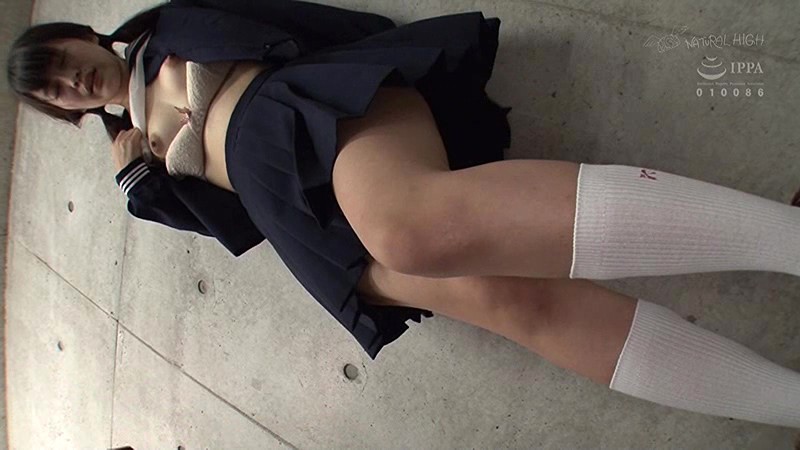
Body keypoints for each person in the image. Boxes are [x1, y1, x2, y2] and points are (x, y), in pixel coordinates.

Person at [7, 0, 800, 429]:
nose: (70, 80)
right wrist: (138, 182)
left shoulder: (169, 26)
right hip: (295, 219)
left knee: (409, 227)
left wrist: (374, 60)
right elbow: (234, 227)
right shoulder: (132, 159)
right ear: (61, 110)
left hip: (306, 116)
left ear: (79, 35)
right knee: (508, 302)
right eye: (54, 89)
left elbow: (291, 27)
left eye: (61, 60)